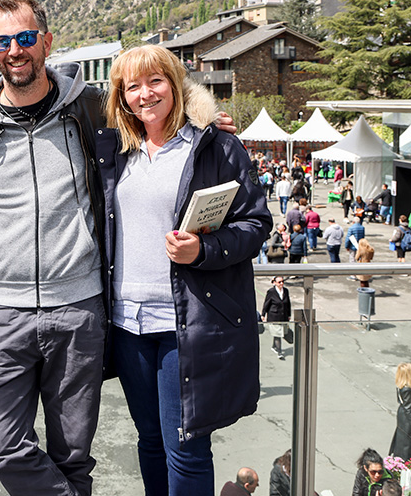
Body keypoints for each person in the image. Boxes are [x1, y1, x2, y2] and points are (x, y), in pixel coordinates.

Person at [0, 0, 110, 495]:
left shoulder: (90, 107)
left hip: (78, 307)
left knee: (73, 457)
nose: (14, 51)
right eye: (2, 41)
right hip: (0, 312)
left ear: (46, 41)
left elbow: (158, 124)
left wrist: (207, 127)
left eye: (24, 38)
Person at [96, 44, 271, 495]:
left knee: (186, 446)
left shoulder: (216, 146)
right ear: (120, 96)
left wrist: (204, 250)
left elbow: (255, 224)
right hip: (126, 321)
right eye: (131, 86)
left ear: (176, 85)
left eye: (155, 81)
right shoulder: (114, 151)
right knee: (151, 441)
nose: (145, 94)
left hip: (185, 321)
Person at [388, 362, 411, 461]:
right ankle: (406, 462)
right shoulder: (407, 389)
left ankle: (401, 461)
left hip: (403, 415)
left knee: (403, 439)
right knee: (408, 443)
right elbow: (409, 409)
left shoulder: (402, 386)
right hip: (408, 419)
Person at [261, 276, 291, 359]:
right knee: (278, 334)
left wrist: (289, 315)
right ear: (274, 283)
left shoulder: (286, 291)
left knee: (279, 333)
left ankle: (274, 347)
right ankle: (279, 352)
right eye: (279, 282)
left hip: (283, 316)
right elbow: (266, 303)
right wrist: (263, 314)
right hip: (274, 316)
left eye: (282, 281)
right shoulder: (271, 292)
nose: (281, 283)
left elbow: (288, 303)